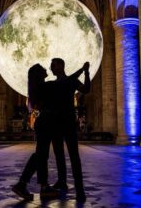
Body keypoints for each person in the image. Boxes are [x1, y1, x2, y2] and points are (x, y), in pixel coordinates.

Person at [12, 63, 88, 200]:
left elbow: (65, 82)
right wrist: (82, 70)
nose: (47, 69)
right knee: (40, 155)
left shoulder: (38, 87)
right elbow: (66, 82)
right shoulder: (46, 86)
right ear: (39, 74)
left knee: (40, 156)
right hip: (47, 124)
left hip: (45, 124)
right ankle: (34, 185)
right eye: (43, 69)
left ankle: (37, 185)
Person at [49, 58, 90, 202]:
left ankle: (80, 189)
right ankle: (62, 181)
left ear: (60, 66)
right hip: (56, 123)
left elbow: (86, 89)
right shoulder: (57, 83)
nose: (50, 68)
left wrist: (86, 73)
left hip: (67, 122)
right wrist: (82, 71)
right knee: (59, 154)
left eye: (52, 65)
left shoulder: (69, 81)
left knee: (74, 156)